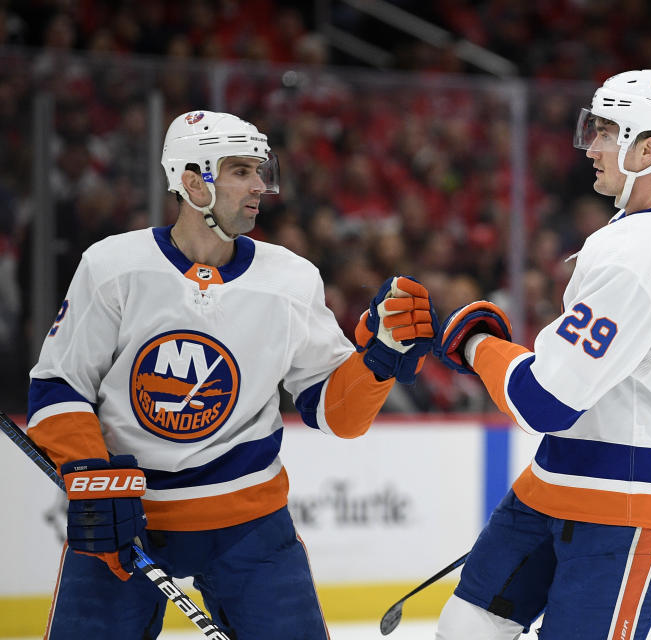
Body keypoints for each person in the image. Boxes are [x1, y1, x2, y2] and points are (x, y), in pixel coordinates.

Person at [26, 110, 436, 639]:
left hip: (249, 522)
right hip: (124, 518)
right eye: (240, 170)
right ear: (192, 181)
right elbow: (59, 385)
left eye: (260, 170)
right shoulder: (113, 267)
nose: (259, 185)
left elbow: (336, 415)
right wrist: (91, 471)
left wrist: (377, 361)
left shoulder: (290, 278)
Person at [433, 70, 651, 639]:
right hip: (575, 464)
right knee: (466, 626)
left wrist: (474, 342)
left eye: (606, 135)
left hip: (636, 491)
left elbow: (543, 404)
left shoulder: (636, 255)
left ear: (648, 150)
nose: (591, 148)